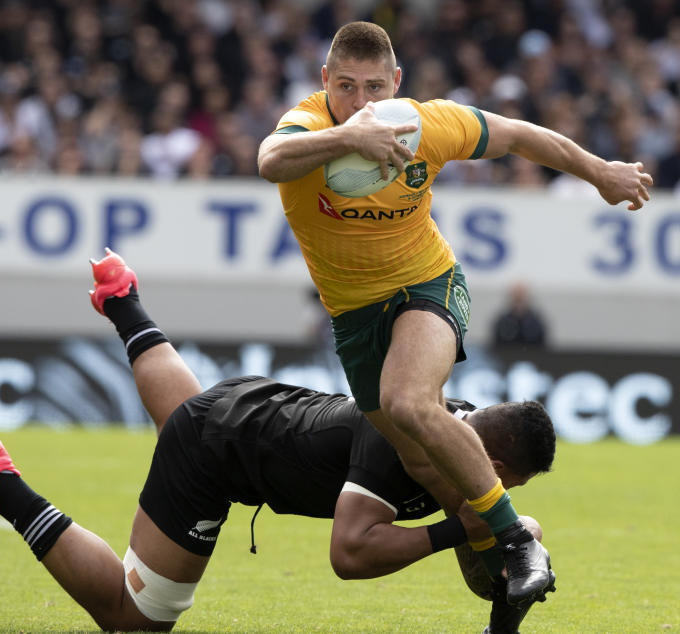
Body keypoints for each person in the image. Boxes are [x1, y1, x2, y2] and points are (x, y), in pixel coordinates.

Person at [0, 250, 556, 633]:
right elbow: (350, 553)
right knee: (133, 619)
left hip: (247, 406)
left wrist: (502, 566)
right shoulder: (404, 438)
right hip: (216, 458)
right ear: (493, 462)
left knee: (191, 411)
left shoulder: (451, 430)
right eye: (507, 485)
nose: (500, 496)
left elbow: (484, 574)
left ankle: (123, 301)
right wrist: (463, 532)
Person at [257, 20, 653, 600]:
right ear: (324, 83)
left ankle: (516, 538)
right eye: (345, 87)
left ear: (396, 82)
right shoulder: (310, 125)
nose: (361, 102)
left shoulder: (429, 124)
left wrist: (600, 173)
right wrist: (347, 139)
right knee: (422, 464)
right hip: (355, 318)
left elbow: (517, 136)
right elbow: (271, 158)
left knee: (408, 400)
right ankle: (510, 582)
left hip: (429, 284)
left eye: (374, 87)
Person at [492, 282, 548, 348]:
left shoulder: (536, 321)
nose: (519, 298)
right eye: (516, 296)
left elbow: (542, 345)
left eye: (521, 296)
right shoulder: (502, 322)